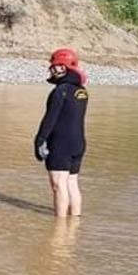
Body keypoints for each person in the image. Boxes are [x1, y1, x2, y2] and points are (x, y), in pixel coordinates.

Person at [34, 47, 89, 218]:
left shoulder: (60, 91)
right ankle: (75, 223)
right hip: (78, 144)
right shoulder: (82, 91)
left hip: (61, 144)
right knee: (72, 183)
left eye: (53, 66)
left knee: (58, 185)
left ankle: (59, 227)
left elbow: (50, 119)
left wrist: (39, 140)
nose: (50, 69)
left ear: (62, 67)